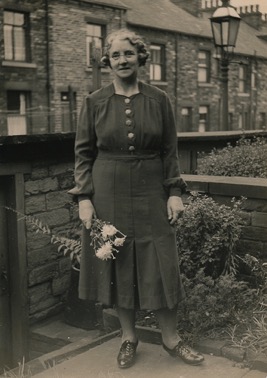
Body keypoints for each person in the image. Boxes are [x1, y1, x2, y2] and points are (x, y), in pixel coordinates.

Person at [69, 28, 204, 369]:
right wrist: (84, 198)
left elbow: (169, 152)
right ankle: (129, 338)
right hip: (107, 192)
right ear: (107, 61)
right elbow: (83, 155)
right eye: (115, 55)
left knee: (161, 260)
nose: (122, 60)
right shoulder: (94, 101)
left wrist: (174, 193)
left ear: (140, 57)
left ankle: (172, 340)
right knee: (117, 261)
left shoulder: (159, 100)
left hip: (151, 190)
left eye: (128, 53)